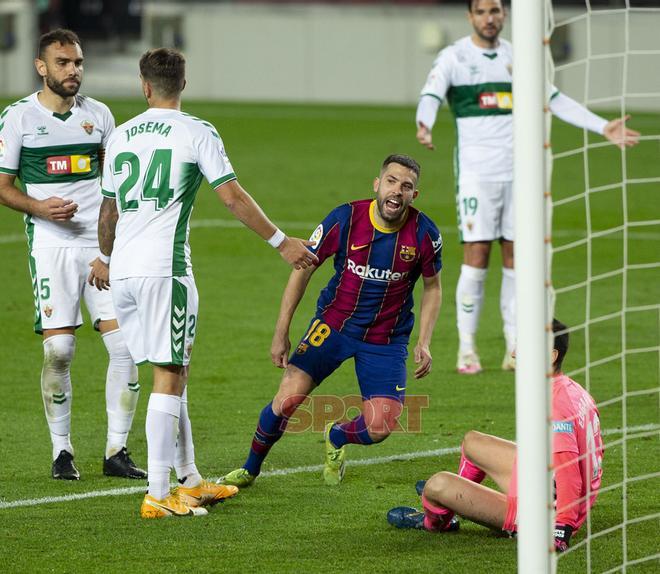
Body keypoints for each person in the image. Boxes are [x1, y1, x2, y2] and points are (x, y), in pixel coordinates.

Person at [88, 47, 317, 518]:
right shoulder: (196, 131)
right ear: (183, 85)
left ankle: (189, 479)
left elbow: (108, 211)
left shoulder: (123, 135)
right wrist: (280, 242)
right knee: (169, 377)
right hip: (164, 272)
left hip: (124, 272)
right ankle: (157, 492)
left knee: (175, 374)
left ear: (144, 86)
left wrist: (106, 258)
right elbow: (231, 196)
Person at [416, 0, 640, 374]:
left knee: (516, 260)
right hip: (476, 175)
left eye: (496, 11)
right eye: (483, 11)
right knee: (477, 257)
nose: (491, 18)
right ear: (471, 16)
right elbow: (430, 94)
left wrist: (602, 126)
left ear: (505, 15)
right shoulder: (454, 56)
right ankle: (467, 349)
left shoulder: (518, 57)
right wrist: (425, 123)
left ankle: (513, 347)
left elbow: (553, 99)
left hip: (520, 175)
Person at [220, 154, 443, 488]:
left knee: (380, 426)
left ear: (414, 195)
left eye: (407, 186)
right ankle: (251, 468)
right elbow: (303, 268)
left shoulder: (425, 234)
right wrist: (281, 331)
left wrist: (424, 341)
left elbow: (433, 288)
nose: (397, 191)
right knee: (286, 401)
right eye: (392, 181)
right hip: (334, 325)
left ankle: (338, 435)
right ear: (377, 185)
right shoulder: (346, 218)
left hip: (386, 339)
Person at [0, 29, 145, 481]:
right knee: (59, 350)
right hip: (50, 246)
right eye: (63, 63)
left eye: (78, 62)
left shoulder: (100, 116)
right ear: (41, 67)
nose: (73, 70)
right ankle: (62, 452)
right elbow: (3, 187)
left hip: (99, 248)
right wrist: (38, 207)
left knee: (124, 347)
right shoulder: (18, 118)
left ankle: (116, 450)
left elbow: (116, 187)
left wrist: (110, 247)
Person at [387, 319, 604, 553]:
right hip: (545, 484)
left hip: (544, 513)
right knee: (473, 442)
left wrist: (561, 529)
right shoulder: (571, 389)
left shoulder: (555, 406)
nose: (514, 353)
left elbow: (569, 474)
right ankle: (456, 501)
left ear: (551, 356)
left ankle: (436, 521)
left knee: (436, 485)